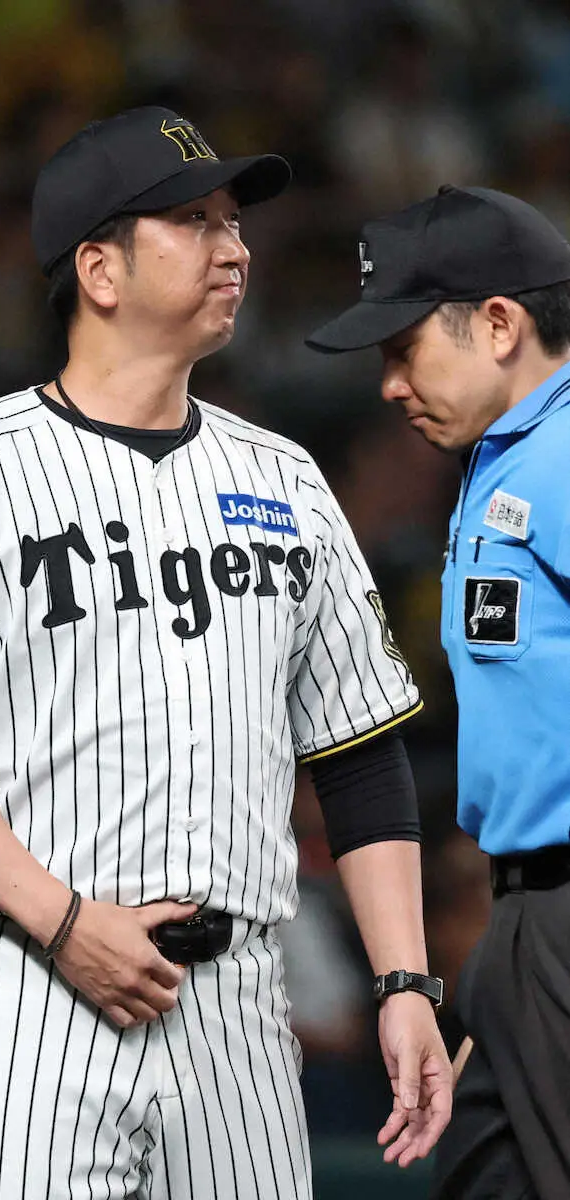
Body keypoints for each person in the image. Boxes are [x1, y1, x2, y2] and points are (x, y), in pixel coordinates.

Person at [0, 106, 451, 1200]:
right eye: (193, 220)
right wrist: (63, 921)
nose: (234, 246)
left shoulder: (284, 478)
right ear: (99, 270)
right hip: (29, 988)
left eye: (234, 221)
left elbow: (359, 755)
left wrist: (405, 981)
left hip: (238, 1004)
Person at [307, 183, 570, 1200]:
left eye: (403, 347)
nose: (388, 384)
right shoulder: (510, 455)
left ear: (498, 323)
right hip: (524, 918)